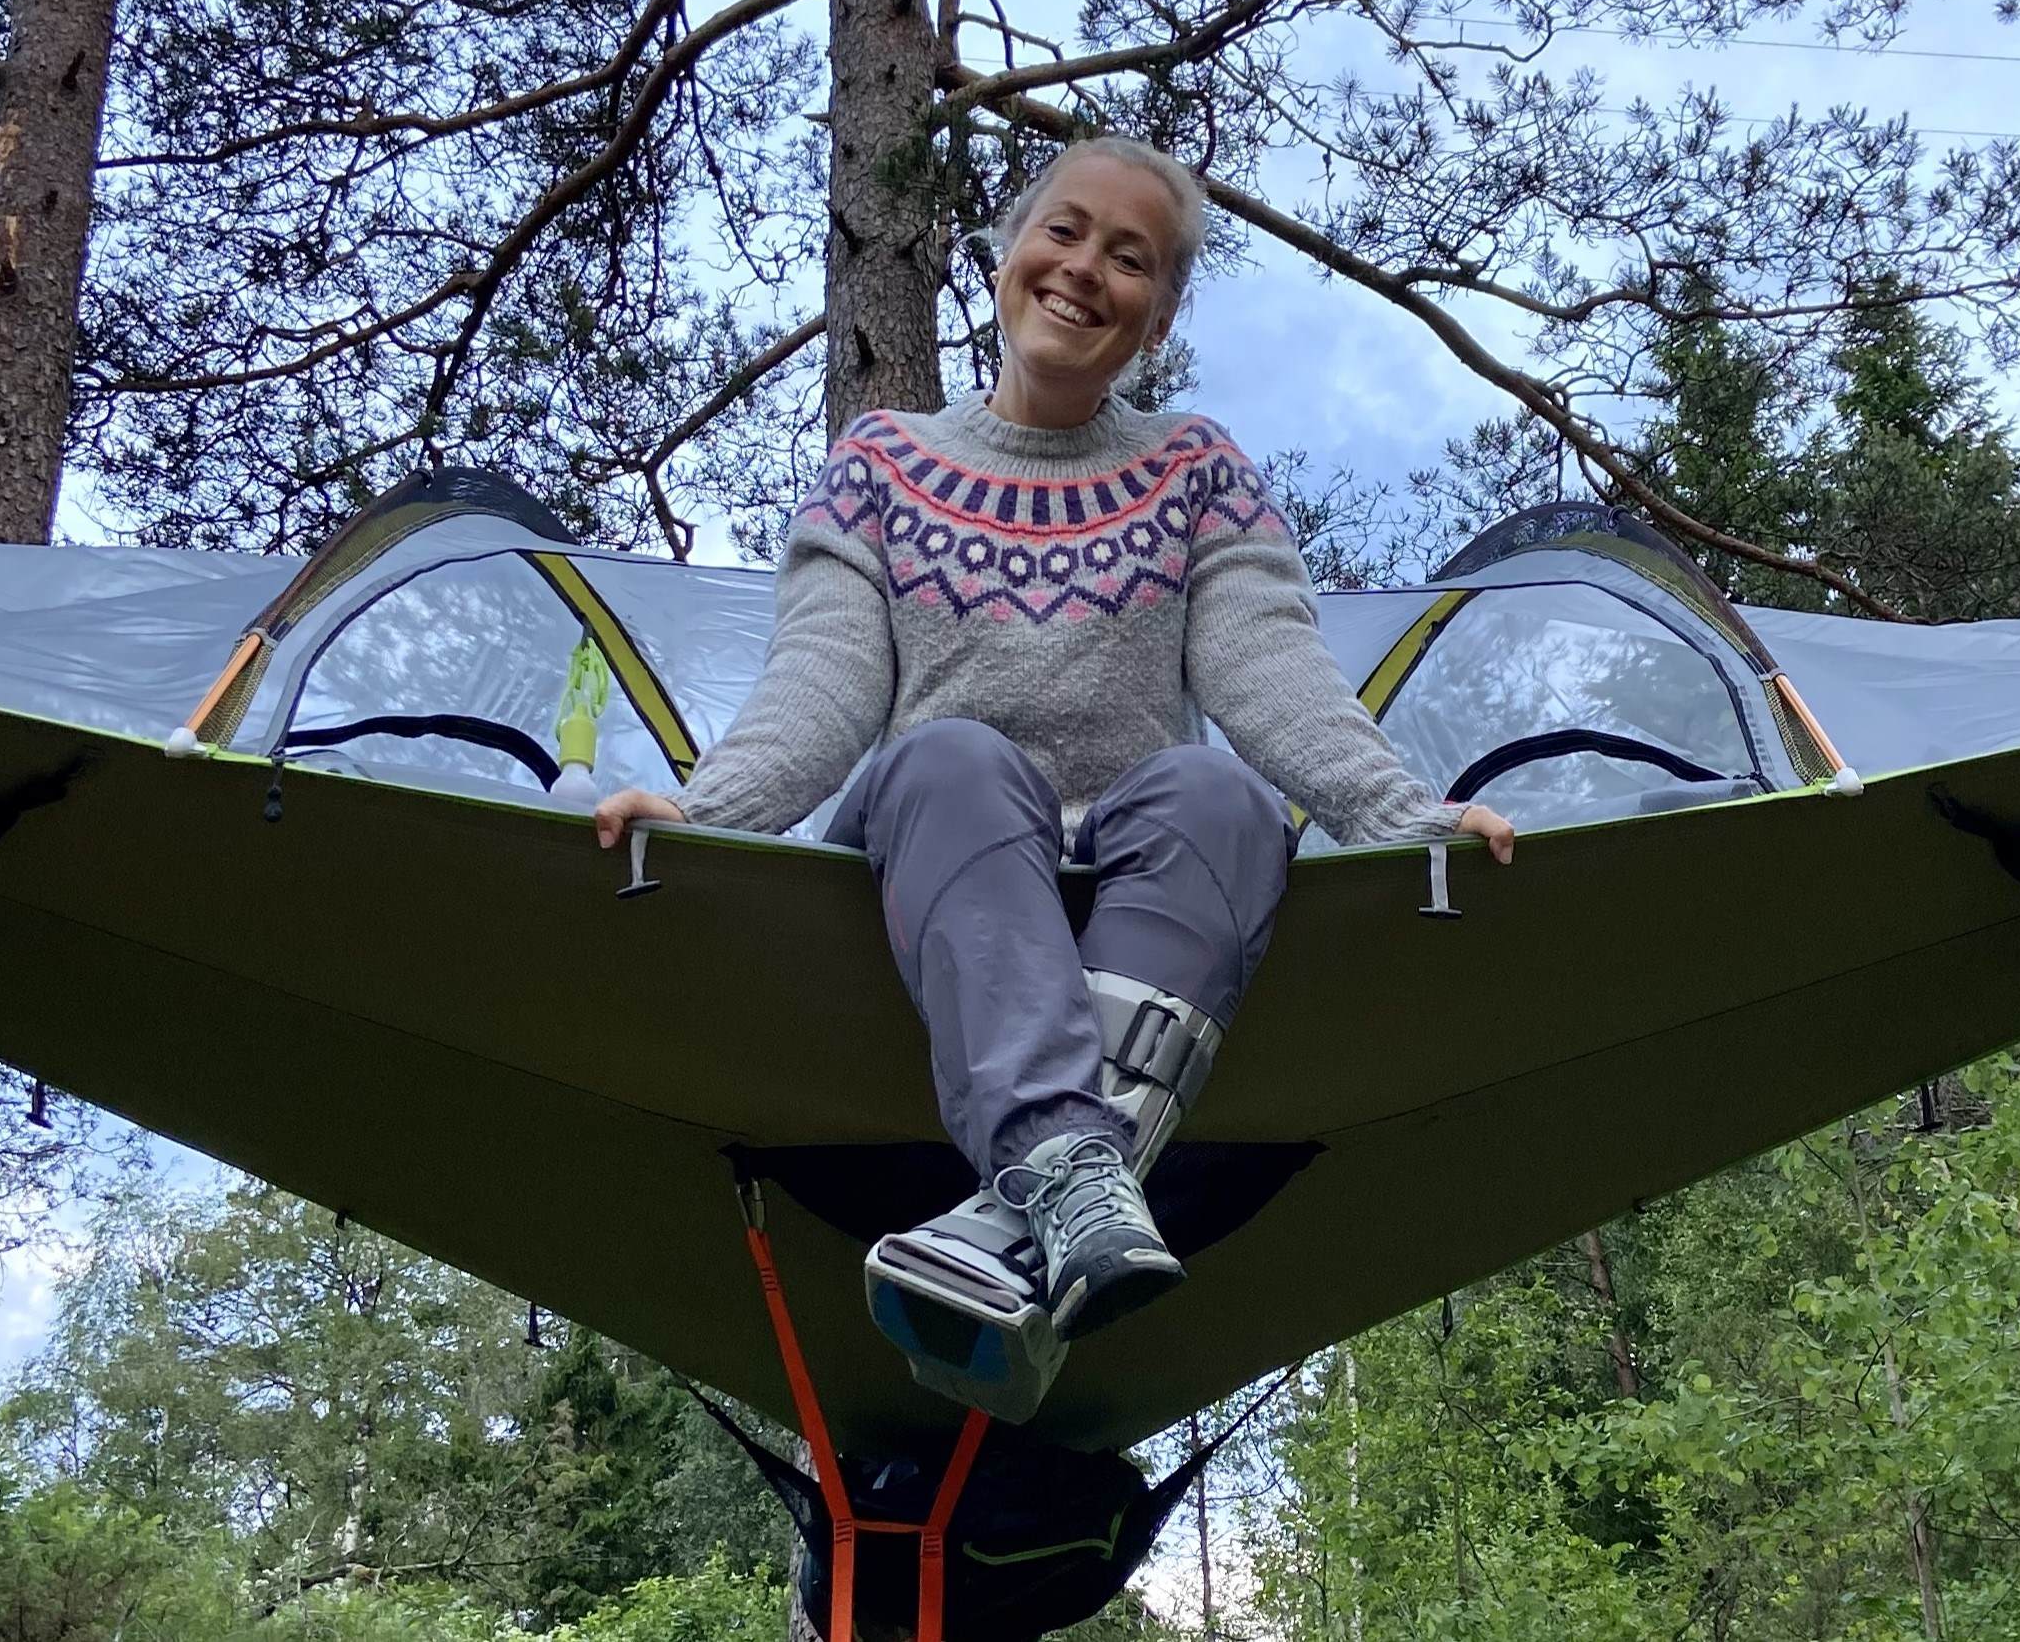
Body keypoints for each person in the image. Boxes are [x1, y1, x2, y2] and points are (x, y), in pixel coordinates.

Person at [592, 135, 1514, 1377]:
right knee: (955, 756)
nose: (1085, 270)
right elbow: (823, 681)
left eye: (1130, 259)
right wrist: (710, 812)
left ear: (1159, 315)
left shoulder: (1193, 472)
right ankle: (1068, 1176)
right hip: (938, 861)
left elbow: (1269, 673)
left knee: (1223, 793)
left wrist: (1404, 815)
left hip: (1138, 880)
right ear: (1010, 252)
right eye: (1064, 231)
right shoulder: (882, 466)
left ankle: (1019, 1234)